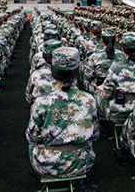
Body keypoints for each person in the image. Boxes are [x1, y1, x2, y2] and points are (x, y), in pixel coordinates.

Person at [26, 47, 99, 178]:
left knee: (31, 146)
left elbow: (32, 137)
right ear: (78, 70)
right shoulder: (88, 99)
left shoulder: (41, 102)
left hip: (47, 165)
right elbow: (94, 134)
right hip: (81, 164)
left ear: (53, 72)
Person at [97, 32, 135, 125]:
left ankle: (104, 126)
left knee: (99, 92)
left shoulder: (116, 67)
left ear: (122, 49)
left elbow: (107, 95)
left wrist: (102, 89)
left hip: (119, 115)